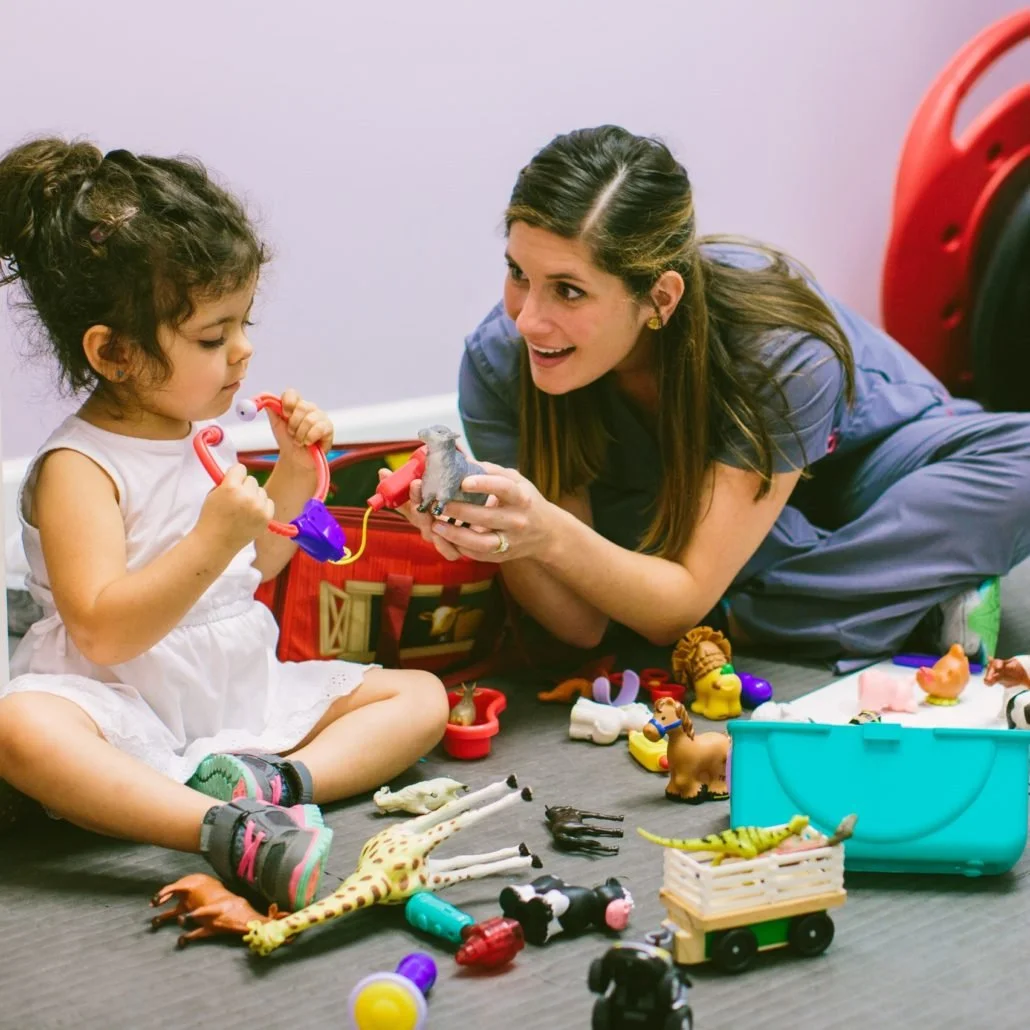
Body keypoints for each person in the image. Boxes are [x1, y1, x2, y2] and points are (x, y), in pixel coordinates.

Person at [392, 124, 1030, 674]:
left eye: (568, 291)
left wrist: (666, 596)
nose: (528, 318)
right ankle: (899, 595)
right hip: (700, 497)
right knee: (663, 557)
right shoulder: (500, 362)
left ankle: (743, 615)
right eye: (517, 274)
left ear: (660, 300)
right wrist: (497, 533)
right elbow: (583, 628)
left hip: (863, 471)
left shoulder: (776, 348)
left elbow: (674, 605)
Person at [0, 137, 449, 913]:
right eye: (212, 336)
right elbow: (104, 632)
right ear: (115, 354)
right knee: (20, 730)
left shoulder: (198, 438)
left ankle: (275, 786)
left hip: (233, 704)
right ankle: (221, 830)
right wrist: (211, 537)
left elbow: (260, 570)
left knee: (422, 699)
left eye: (242, 323)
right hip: (121, 710)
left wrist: (295, 478)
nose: (242, 352)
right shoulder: (80, 468)